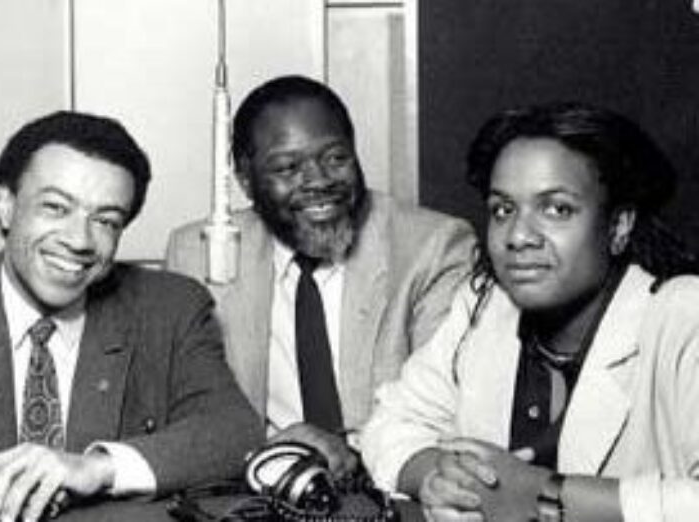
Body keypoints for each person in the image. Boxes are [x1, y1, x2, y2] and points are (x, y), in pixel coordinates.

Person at [0, 111, 263, 522]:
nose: (79, 240)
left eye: (106, 220)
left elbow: (235, 432)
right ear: (6, 206)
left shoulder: (171, 308)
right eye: (55, 207)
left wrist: (97, 468)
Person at [361, 101, 699, 522]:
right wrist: (433, 473)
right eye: (503, 209)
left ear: (618, 227)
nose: (518, 236)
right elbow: (389, 423)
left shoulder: (683, 315)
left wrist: (544, 495)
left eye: (556, 209)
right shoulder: (485, 303)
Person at [166, 75, 475, 477]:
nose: (318, 181)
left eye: (335, 158)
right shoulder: (199, 252)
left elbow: (445, 413)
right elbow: (188, 413)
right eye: (287, 167)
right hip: (259, 486)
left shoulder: (433, 247)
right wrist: (269, 458)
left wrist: (349, 451)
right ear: (245, 179)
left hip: (389, 488)